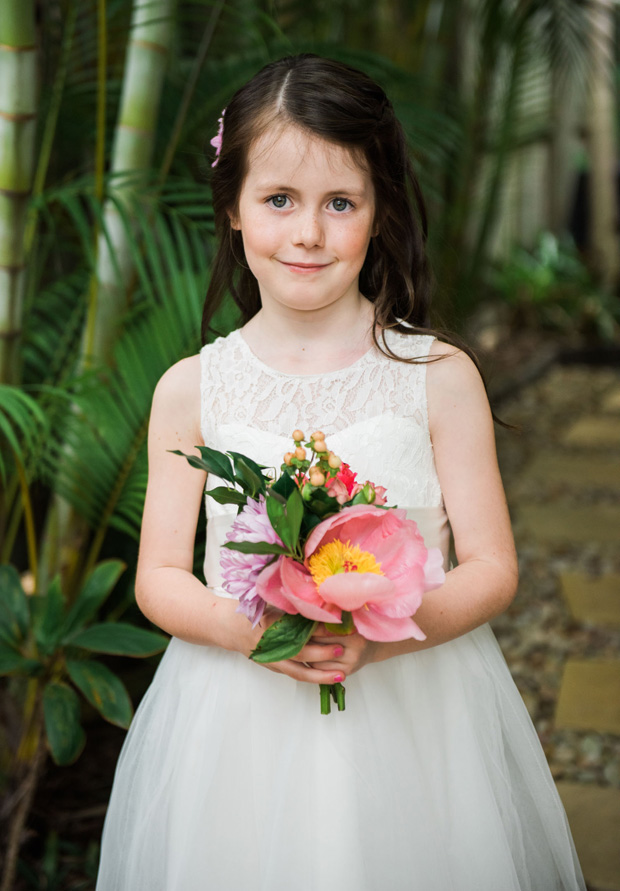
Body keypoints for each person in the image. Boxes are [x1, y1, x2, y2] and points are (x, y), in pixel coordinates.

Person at [96, 54, 585, 891]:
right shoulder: (191, 388)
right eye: (278, 200)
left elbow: (495, 567)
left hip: (415, 705)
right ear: (233, 212)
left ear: (380, 211)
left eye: (341, 203)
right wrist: (263, 633)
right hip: (234, 715)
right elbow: (159, 580)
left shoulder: (438, 375)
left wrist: (375, 635)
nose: (308, 233)